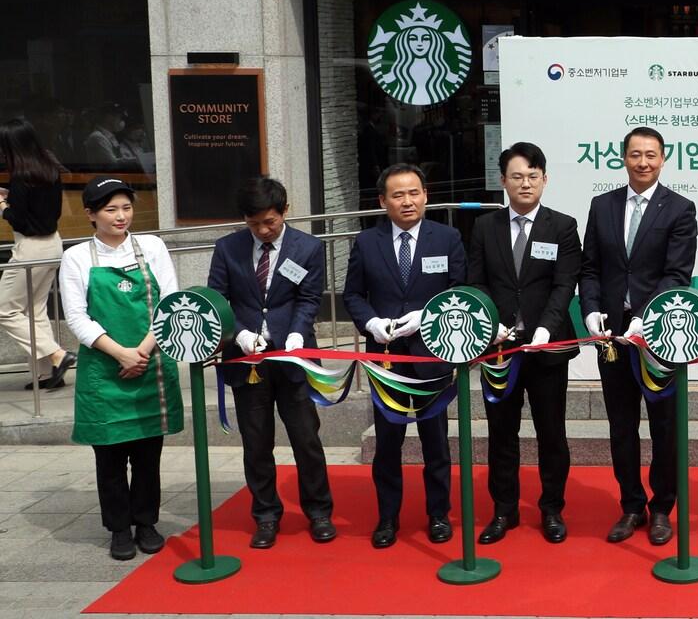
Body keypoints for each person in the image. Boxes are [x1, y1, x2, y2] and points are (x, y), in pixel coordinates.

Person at [580, 125, 697, 546]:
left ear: (662, 159)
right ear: (623, 158)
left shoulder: (680, 209)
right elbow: (590, 267)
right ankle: (631, 505)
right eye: (635, 154)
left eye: (651, 155)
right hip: (611, 337)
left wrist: (646, 317)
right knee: (621, 425)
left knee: (664, 426)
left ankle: (663, 507)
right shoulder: (602, 205)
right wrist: (591, 310)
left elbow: (677, 274)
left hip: (662, 336)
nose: (643, 162)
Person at [343, 163, 465, 549]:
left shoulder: (447, 238)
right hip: (387, 358)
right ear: (383, 201)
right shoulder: (367, 242)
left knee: (437, 443)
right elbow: (352, 295)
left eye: (414, 193)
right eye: (398, 195)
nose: (407, 201)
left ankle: (438, 515)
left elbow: (459, 289)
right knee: (387, 443)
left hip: (433, 354)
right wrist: (371, 324)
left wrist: (428, 315)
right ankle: (387, 518)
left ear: (426, 195)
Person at [58, 177, 182, 560]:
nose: (121, 216)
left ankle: (146, 521)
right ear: (91, 214)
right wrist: (121, 354)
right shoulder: (76, 257)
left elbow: (171, 301)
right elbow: (76, 317)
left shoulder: (153, 247)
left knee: (148, 453)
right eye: (111, 209)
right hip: (103, 370)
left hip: (150, 362)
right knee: (110, 457)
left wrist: (141, 352)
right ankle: (118, 529)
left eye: (126, 207)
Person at [209, 176, 335, 549]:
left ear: (284, 212)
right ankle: (265, 514)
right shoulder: (228, 248)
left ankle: (319, 511)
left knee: (306, 438)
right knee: (256, 441)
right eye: (254, 224)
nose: (263, 231)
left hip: (293, 357)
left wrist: (297, 334)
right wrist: (241, 333)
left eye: (270, 222)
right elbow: (218, 297)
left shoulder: (308, 247)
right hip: (247, 357)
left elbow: (308, 298)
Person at [467, 142, 581, 546]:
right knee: (501, 432)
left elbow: (565, 283)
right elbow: (477, 281)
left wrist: (547, 327)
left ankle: (552, 509)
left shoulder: (562, 226)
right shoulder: (485, 227)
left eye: (533, 176)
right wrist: (490, 324)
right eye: (517, 176)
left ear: (545, 180)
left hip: (548, 350)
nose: (526, 183)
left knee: (552, 432)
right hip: (498, 348)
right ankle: (504, 510)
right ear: (503, 181)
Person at [0, 118, 74, 390]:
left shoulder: (21, 178)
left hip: (30, 248)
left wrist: (2, 205)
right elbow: (45, 213)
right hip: (53, 243)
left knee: (5, 310)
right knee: (34, 310)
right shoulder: (49, 169)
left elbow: (20, 221)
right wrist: (12, 199)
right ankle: (48, 374)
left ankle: (58, 355)